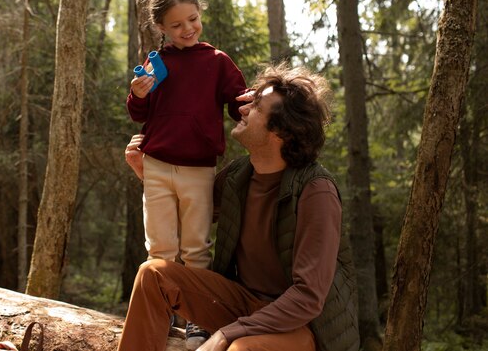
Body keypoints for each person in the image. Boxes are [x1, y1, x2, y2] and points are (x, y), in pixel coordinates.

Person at [120, 64, 359, 351]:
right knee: (153, 275)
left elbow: (308, 297)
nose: (242, 110)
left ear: (280, 131)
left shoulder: (316, 190)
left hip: (299, 325)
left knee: (240, 348)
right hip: (241, 303)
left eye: (256, 106)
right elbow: (191, 213)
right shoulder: (238, 175)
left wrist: (226, 334)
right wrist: (150, 176)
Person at [126, 0, 247, 349]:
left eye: (192, 19)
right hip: (158, 165)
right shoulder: (155, 62)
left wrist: (254, 101)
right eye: (176, 25)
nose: (187, 29)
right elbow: (139, 113)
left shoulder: (216, 61)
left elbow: (237, 101)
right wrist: (137, 93)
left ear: (200, 14)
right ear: (160, 27)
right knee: (159, 248)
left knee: (196, 247)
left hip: (199, 167)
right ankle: (159, 320)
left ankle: (198, 322)